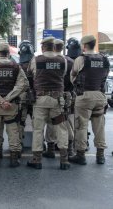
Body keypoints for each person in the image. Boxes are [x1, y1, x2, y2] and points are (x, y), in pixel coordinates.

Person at [26, 37, 70, 170]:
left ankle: (37, 159)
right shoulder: (62, 60)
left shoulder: (36, 60)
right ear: (53, 46)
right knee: (61, 128)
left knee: (38, 129)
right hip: (57, 100)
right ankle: (64, 159)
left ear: (43, 47)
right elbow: (63, 75)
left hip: (40, 100)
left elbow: (30, 75)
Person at [0, 43, 28, 167]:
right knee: (13, 131)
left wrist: (0, 100)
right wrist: (8, 99)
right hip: (11, 106)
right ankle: (14, 159)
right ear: (8, 53)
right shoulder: (16, 66)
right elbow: (23, 84)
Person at [69, 35, 109, 165]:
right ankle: (100, 155)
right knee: (99, 126)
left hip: (84, 96)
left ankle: (80, 155)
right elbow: (104, 76)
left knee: (81, 126)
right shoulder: (104, 59)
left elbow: (73, 76)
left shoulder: (81, 59)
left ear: (84, 46)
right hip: (100, 95)